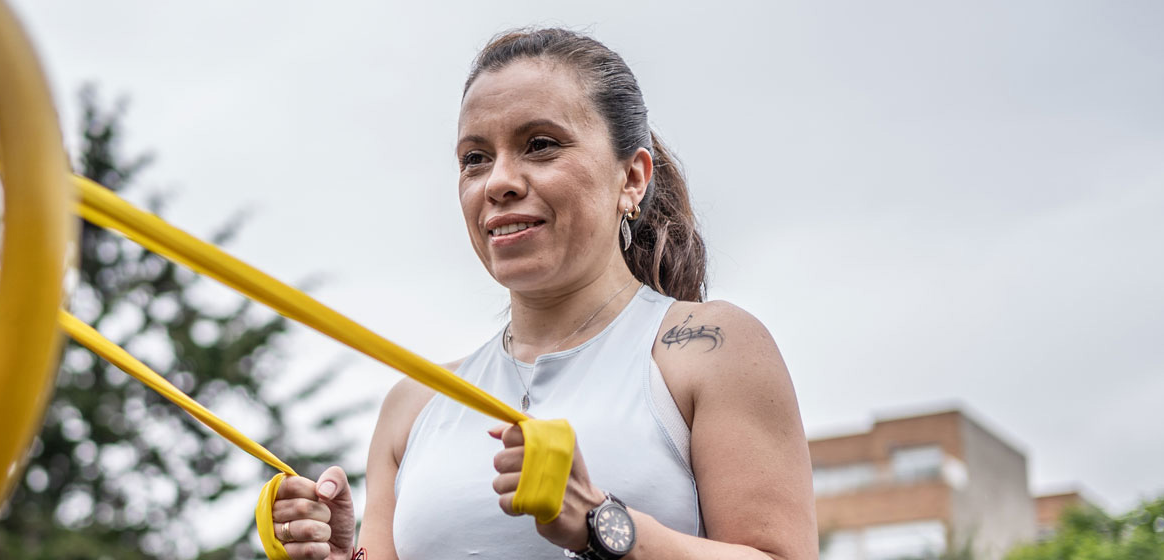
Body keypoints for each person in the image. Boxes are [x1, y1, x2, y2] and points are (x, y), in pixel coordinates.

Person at [266, 28, 817, 560]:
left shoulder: (708, 347)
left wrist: (599, 523)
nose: (497, 181)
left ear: (632, 178)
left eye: (540, 145)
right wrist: (339, 557)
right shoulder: (413, 405)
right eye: (474, 158)